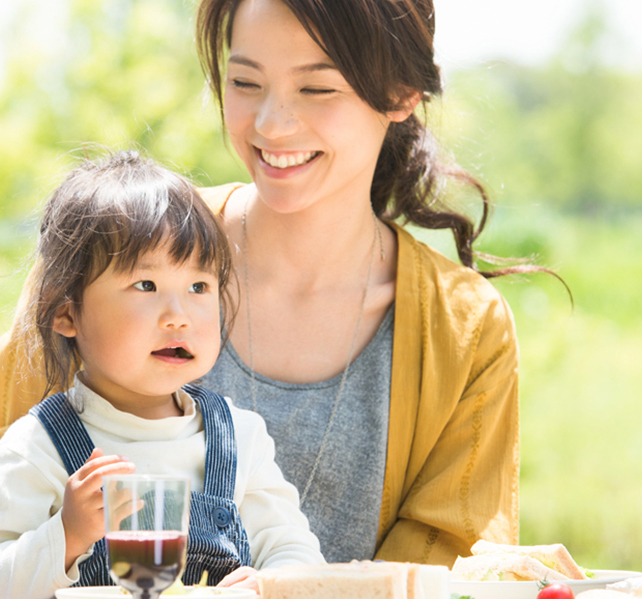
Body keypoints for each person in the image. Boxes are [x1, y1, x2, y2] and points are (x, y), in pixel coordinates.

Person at [0, 0, 555, 566]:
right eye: (245, 81)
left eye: (317, 88)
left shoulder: (466, 329)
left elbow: (450, 565)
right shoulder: (103, 251)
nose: (270, 124)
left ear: (400, 92)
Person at [0, 151, 324, 599]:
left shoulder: (239, 438)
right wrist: (67, 535)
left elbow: (294, 548)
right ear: (66, 312)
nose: (179, 315)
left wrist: (273, 582)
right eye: (146, 285)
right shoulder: (38, 447)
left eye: (198, 287)